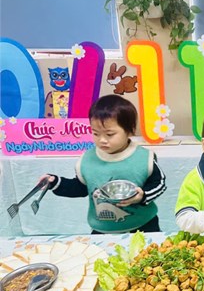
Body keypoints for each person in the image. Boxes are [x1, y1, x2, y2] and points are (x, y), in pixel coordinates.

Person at [41, 95, 166, 233]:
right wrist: (56, 182)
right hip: (102, 230)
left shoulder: (143, 157)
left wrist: (143, 196)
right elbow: (80, 188)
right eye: (95, 133)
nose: (102, 140)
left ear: (129, 131)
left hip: (144, 226)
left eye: (109, 134)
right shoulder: (88, 159)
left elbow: (159, 184)